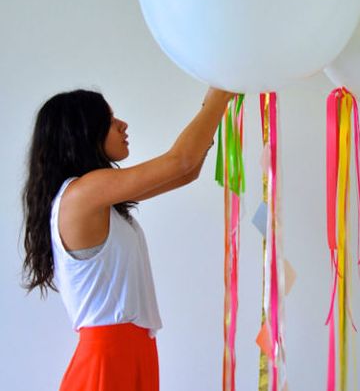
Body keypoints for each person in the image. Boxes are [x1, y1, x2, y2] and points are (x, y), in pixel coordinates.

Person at [22, 87, 233, 391]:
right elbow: (180, 162)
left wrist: (214, 108)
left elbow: (186, 172)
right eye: (110, 121)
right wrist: (217, 97)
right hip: (109, 358)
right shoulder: (83, 193)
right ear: (84, 132)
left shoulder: (96, 198)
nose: (123, 125)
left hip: (133, 352)